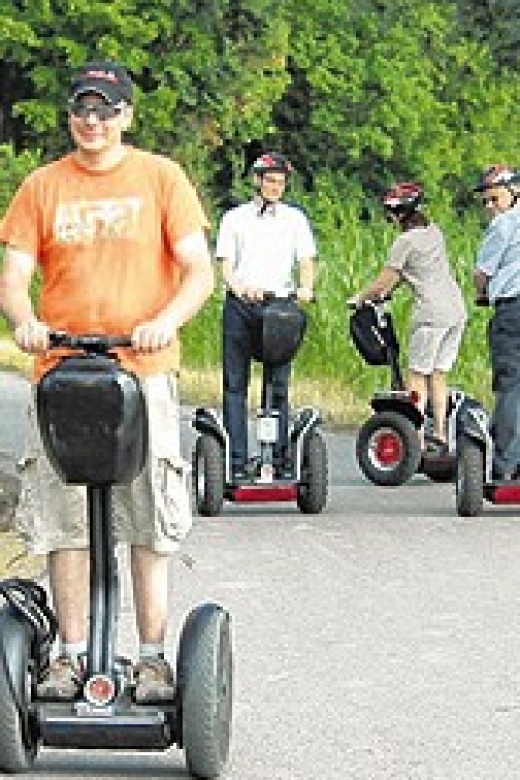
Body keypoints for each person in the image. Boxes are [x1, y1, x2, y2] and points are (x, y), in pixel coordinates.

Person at [0, 60, 214, 700]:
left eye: (106, 110)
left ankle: (151, 658)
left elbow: (198, 271)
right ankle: (68, 655)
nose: (92, 122)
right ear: (72, 114)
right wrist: (26, 321)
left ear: (126, 115)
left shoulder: (161, 179)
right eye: (83, 109)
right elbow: (13, 273)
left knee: (149, 516)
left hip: (140, 371)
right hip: (61, 375)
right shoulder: (42, 186)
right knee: (64, 520)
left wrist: (163, 320)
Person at [214, 152, 317, 481]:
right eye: (270, 181)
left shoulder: (294, 219)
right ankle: (236, 461)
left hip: (280, 307)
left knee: (277, 385)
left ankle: (281, 459)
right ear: (257, 181)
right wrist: (240, 287)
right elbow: (225, 264)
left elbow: (306, 260)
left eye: (280, 182)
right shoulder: (235, 218)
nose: (275, 187)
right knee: (235, 385)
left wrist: (306, 287)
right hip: (242, 305)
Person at [350, 181, 467, 452]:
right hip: (455, 310)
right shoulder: (433, 232)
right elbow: (412, 272)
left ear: (398, 213)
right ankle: (439, 432)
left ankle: (413, 438)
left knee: (417, 376)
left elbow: (384, 282)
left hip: (430, 313)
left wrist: (359, 298)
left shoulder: (405, 242)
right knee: (438, 374)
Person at [473, 164, 520, 479]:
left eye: (495, 199)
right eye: (486, 201)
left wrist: (481, 295)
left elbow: (482, 274)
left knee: (511, 384)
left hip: (512, 310)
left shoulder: (504, 225)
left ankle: (505, 464)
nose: (490, 207)